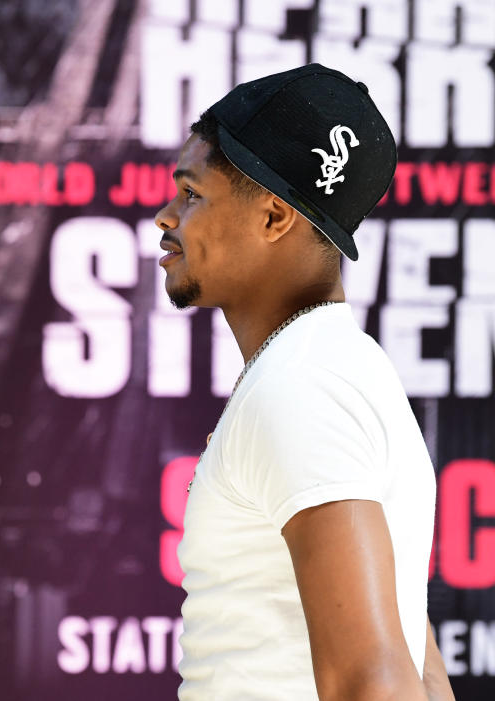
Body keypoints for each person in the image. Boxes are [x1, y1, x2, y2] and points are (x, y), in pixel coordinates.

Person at [155, 65, 455, 701]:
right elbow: (419, 669)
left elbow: (372, 682)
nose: (165, 215)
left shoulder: (303, 384)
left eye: (192, 194)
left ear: (273, 217)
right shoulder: (334, 366)